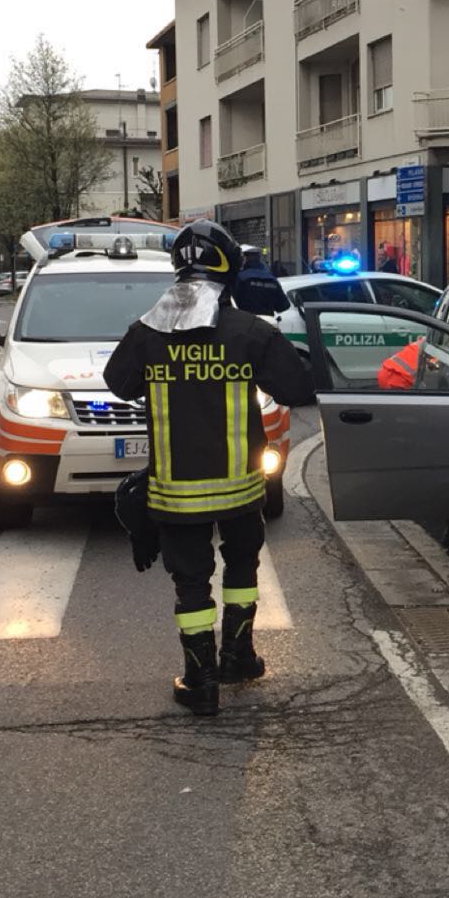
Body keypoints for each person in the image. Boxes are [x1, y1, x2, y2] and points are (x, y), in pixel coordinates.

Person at [104, 220, 317, 715]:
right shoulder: (249, 332)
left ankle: (200, 682)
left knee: (191, 583)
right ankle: (239, 657)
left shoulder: (147, 333)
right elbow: (299, 390)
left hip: (176, 494)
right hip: (242, 491)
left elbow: (119, 383)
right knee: (241, 568)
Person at [234, 244, 289, 316]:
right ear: (259, 258)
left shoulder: (240, 278)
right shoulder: (272, 279)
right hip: (267, 323)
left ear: (245, 259)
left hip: (245, 322)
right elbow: (283, 306)